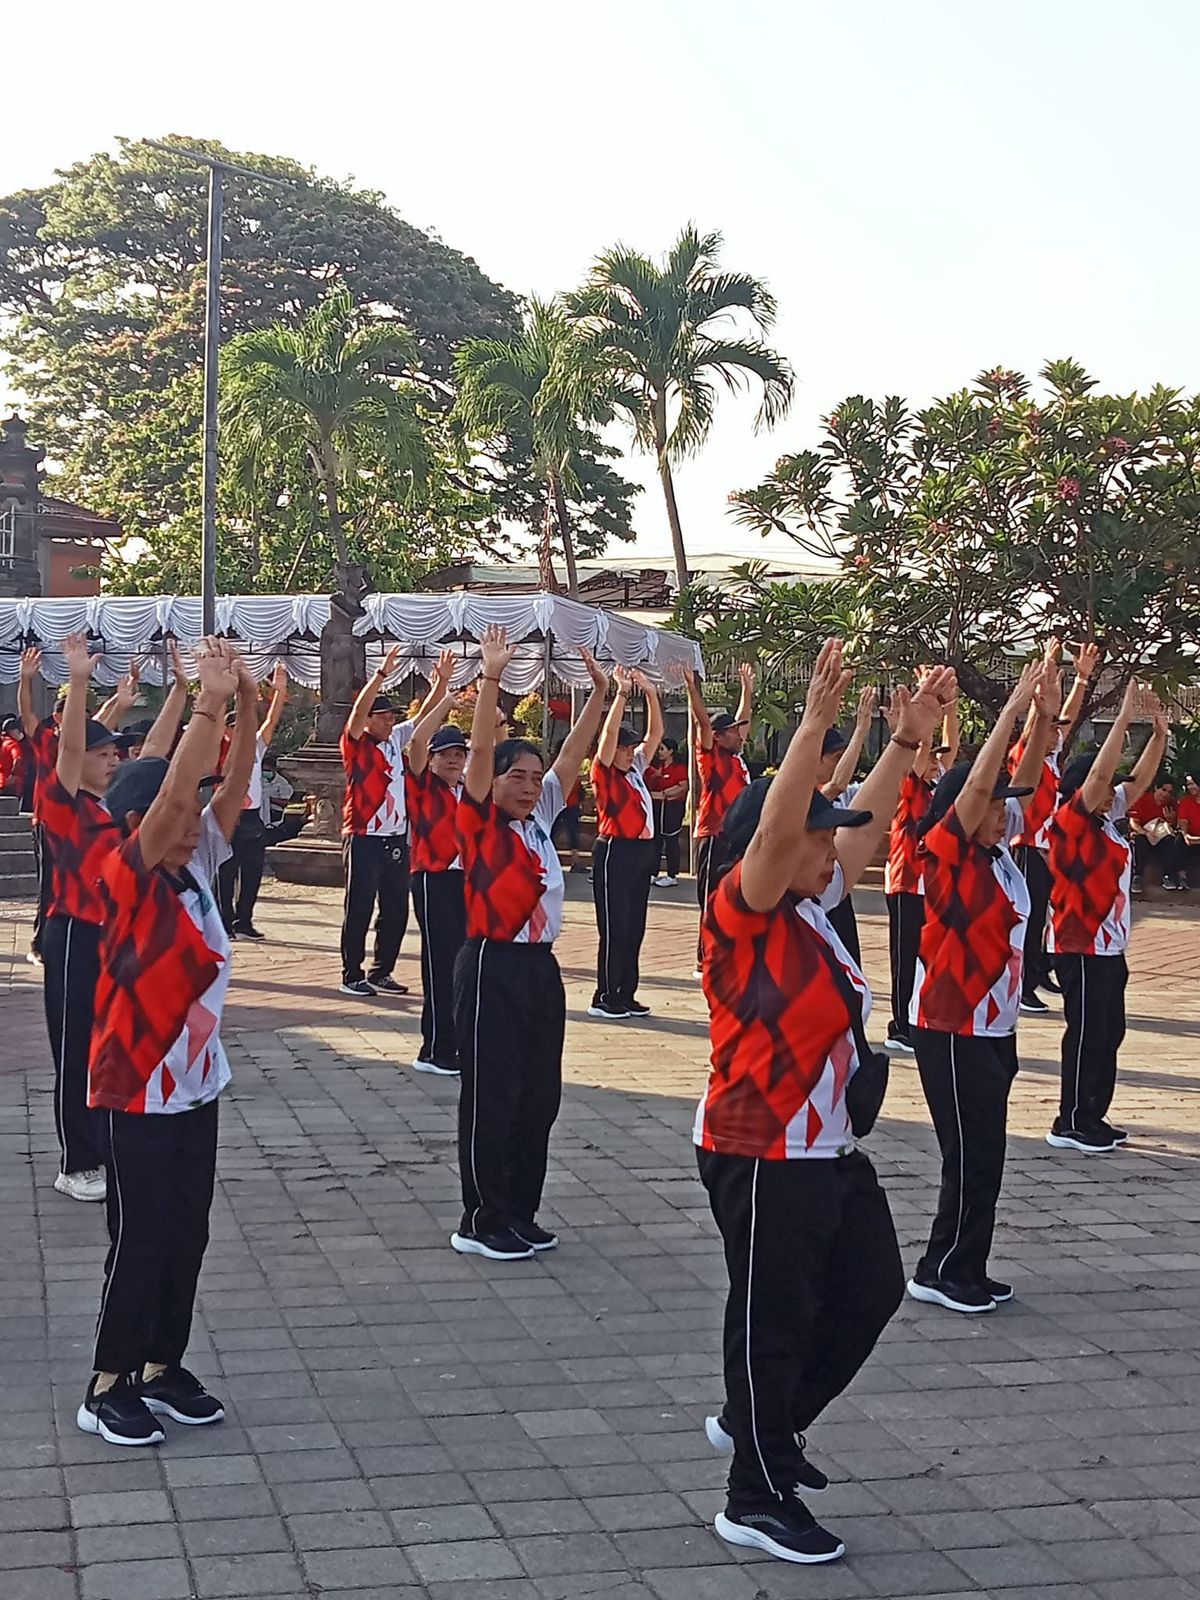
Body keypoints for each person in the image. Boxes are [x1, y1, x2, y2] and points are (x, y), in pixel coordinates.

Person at [695, 641, 956, 1566]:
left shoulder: (813, 904)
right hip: (760, 1148)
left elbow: (865, 828)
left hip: (825, 1149)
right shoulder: (741, 908)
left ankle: (762, 1425)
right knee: (775, 1321)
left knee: (871, 1289)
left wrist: (905, 741)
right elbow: (777, 837)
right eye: (818, 833)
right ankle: (752, 1494)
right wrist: (808, 723)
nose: (835, 846)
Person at [77, 637, 259, 1448]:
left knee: (189, 1230)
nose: (195, 826)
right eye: (179, 817)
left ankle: (161, 1365)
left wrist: (249, 707)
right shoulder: (126, 871)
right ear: (140, 823)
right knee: (142, 1233)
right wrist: (207, 703)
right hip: (140, 1083)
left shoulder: (196, 868)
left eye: (195, 820)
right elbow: (179, 788)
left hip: (197, 1082)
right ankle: (108, 1381)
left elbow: (229, 788)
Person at [451, 627, 608, 1261]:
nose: (528, 785)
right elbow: (482, 748)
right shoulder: (480, 822)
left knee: (539, 1095)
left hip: (540, 969)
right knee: (495, 1093)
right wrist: (490, 679)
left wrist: (599, 695)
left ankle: (520, 1210)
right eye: (516, 775)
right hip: (492, 964)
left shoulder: (539, 821)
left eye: (534, 776)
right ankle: (481, 1218)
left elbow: (573, 754)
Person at [906, 661, 1053, 1316]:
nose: (1003, 816)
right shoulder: (945, 852)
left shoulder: (1001, 859)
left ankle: (965, 1263)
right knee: (969, 1157)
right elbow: (972, 796)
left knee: (986, 1157)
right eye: (993, 806)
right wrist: (1011, 710)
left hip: (993, 1028)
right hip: (952, 1026)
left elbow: (1033, 779)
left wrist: (1046, 714)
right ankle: (940, 1270)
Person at [38, 636, 191, 1206]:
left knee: (114, 1044)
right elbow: (69, 747)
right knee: (76, 1048)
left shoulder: (120, 803)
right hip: (76, 933)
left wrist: (181, 689)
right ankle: (77, 1162)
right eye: (105, 754)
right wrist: (78, 682)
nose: (114, 759)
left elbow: (155, 750)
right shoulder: (62, 803)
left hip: (118, 934)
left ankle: (110, 1143)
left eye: (113, 755)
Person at [1045, 680, 1168, 1153]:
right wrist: (1120, 719)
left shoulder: (1104, 815)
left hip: (1109, 945)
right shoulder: (1071, 820)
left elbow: (1135, 781)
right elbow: (1101, 778)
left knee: (1109, 1030)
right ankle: (1070, 1119)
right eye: (1100, 785)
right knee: (1086, 1031)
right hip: (1078, 944)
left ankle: (1093, 1112)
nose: (1112, 792)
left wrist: (1157, 735)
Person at [18, 648, 137, 965]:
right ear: (59, 717)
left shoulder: (87, 745)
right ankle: (42, 941)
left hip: (79, 818)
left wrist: (120, 699)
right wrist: (26, 680)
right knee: (51, 885)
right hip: (50, 819)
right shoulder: (51, 742)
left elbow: (104, 722)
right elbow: (27, 715)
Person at [339, 646, 445, 998]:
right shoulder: (356, 744)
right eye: (382, 716)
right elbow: (356, 713)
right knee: (360, 906)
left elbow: (423, 720)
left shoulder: (394, 741)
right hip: (364, 835)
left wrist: (441, 684)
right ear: (369, 719)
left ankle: (381, 970)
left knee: (397, 908)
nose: (388, 721)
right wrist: (381, 674)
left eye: (390, 716)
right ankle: (351, 972)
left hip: (396, 837)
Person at [1009, 639, 1097, 1014]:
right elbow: (1038, 720)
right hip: (1027, 845)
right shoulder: (1025, 754)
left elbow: (1069, 717)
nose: (1056, 734)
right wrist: (1047, 666)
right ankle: (1025, 984)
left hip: (1049, 846)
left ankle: (1040, 968)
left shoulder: (1051, 758)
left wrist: (1080, 679)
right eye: (1051, 730)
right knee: (1030, 915)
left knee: (1046, 913)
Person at [883, 680, 959, 1054]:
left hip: (929, 885)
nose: (935, 762)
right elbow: (925, 748)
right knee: (904, 958)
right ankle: (899, 1025)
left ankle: (918, 1016)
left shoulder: (935, 789)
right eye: (931, 758)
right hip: (904, 881)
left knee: (927, 957)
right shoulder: (910, 785)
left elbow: (952, 746)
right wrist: (927, 711)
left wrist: (951, 709)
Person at [405, 651, 471, 1077]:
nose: (452, 761)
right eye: (445, 755)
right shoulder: (422, 785)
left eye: (457, 754)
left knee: (461, 963)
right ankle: (435, 1048)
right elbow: (413, 742)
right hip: (432, 877)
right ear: (432, 759)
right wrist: (443, 694)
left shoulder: (464, 790)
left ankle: (454, 1043)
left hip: (464, 879)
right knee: (439, 963)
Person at [588, 668, 664, 1021]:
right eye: (625, 748)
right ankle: (605, 994)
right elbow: (606, 738)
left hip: (640, 853)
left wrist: (650, 694)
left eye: (632, 748)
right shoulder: (604, 771)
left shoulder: (634, 771)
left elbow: (656, 734)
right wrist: (620, 695)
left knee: (634, 925)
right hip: (615, 850)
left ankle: (625, 992)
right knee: (615, 925)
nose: (631, 753)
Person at [684, 662, 754, 969]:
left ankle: (726, 951)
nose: (740, 735)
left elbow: (744, 723)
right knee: (711, 898)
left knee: (734, 896)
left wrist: (747, 691)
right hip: (714, 835)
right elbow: (702, 723)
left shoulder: (736, 758)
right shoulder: (711, 757)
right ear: (720, 735)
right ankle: (706, 957)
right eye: (733, 732)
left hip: (736, 837)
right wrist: (691, 688)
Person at [217, 662, 289, 939]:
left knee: (252, 871)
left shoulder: (255, 746)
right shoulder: (218, 749)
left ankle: (244, 920)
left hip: (252, 815)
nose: (238, 731)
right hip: (228, 815)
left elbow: (271, 721)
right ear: (225, 730)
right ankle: (225, 921)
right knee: (226, 872)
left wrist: (279, 694)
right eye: (232, 727)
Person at [818, 686, 877, 964]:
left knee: (848, 964)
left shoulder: (846, 795)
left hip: (837, 887)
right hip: (811, 893)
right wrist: (862, 728)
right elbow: (836, 784)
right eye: (834, 757)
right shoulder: (808, 795)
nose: (842, 762)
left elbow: (885, 784)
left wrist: (912, 738)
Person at [647, 737, 688, 886]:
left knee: (671, 841)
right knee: (656, 841)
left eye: (662, 749)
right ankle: (653, 872)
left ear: (671, 751)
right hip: (658, 808)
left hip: (672, 809)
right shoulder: (659, 768)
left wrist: (665, 794)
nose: (659, 752)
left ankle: (672, 875)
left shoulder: (679, 768)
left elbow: (683, 786)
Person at [1129, 780, 1180, 891]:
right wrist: (1145, 832)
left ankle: (1168, 876)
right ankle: (1137, 877)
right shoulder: (1142, 799)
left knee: (1169, 841)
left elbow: (1176, 827)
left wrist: (1171, 820)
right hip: (1144, 834)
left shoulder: (1172, 806)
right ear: (1157, 788)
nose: (1166, 794)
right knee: (1140, 840)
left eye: (1170, 793)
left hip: (1161, 837)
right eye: (1164, 790)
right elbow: (1133, 822)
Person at [0, 715, 33, 812]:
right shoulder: (11, 743)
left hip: (24, 781)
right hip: (15, 784)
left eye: (9, 732)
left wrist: (13, 775)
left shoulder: (24, 743)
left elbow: (18, 758)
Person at [1177, 774, 1200, 890]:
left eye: (1192, 784)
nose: (1190, 787)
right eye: (1188, 785)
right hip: (1192, 839)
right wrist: (1186, 835)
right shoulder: (1186, 801)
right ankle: (1182, 877)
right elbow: (1183, 821)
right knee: (1179, 839)